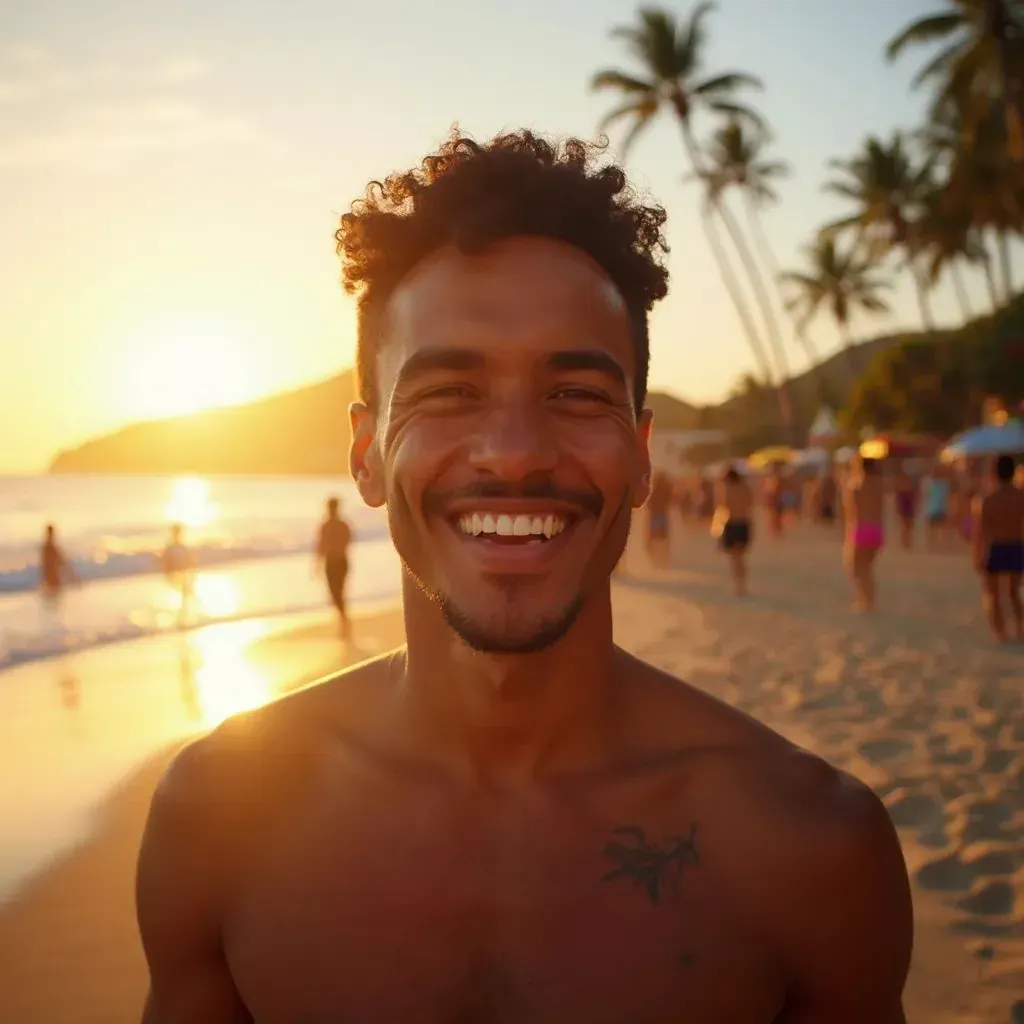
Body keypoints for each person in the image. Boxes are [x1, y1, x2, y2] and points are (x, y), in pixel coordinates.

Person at [136, 130, 911, 1023]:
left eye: (576, 394)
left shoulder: (806, 847)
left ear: (642, 455)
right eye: (448, 392)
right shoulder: (219, 816)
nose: (513, 455)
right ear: (365, 454)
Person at [973, 454, 1024, 643]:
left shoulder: (987, 500)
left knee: (993, 594)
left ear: (994, 473)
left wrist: (977, 555)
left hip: (996, 547)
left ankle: (1000, 633)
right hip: (1017, 546)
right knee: (1013, 593)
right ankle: (1019, 628)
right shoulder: (1021, 497)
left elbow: (980, 533)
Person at [843, 455, 886, 612]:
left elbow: (852, 512)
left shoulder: (856, 485)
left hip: (861, 529)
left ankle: (864, 600)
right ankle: (870, 600)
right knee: (867, 568)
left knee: (856, 568)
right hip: (877, 529)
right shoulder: (879, 484)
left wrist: (848, 536)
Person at [712, 465, 754, 596]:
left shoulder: (727, 489)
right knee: (741, 556)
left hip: (732, 524)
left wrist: (716, 529)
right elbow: (750, 505)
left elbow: (722, 509)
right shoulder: (746, 488)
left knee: (735, 557)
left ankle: (739, 586)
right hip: (744, 523)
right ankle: (743, 585)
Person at [316, 495, 353, 639]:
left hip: (340, 562)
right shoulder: (325, 525)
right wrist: (317, 564)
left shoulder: (342, 524)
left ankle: (343, 621)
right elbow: (320, 545)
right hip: (331, 562)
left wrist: (338, 550)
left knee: (339, 592)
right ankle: (343, 619)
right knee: (334, 594)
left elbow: (348, 540)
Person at [38, 523, 78, 606]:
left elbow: (61, 561)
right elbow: (62, 561)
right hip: (53, 577)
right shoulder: (51, 547)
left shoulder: (47, 547)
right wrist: (73, 576)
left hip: (51, 576)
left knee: (52, 602)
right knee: (55, 602)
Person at [162, 522, 194, 624]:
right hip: (177, 573)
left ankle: (184, 616)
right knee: (184, 595)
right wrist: (167, 573)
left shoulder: (177, 546)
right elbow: (166, 561)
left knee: (185, 595)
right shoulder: (172, 547)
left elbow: (189, 560)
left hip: (183, 573)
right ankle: (182, 615)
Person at [644, 471, 672, 566]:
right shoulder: (666, 491)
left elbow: (648, 505)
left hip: (654, 516)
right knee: (663, 539)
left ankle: (653, 560)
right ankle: (663, 560)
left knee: (652, 539)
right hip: (663, 516)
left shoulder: (653, 491)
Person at [923, 462, 951, 551]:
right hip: (941, 508)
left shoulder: (929, 483)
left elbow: (926, 496)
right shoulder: (945, 484)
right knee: (942, 529)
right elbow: (947, 497)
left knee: (932, 530)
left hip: (931, 508)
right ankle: (942, 546)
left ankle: (932, 545)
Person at [892, 466, 919, 551]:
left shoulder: (909, 488)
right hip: (904, 508)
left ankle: (906, 542)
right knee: (905, 527)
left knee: (908, 526)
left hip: (908, 508)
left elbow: (915, 498)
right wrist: (897, 509)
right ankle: (905, 543)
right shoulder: (901, 488)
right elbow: (897, 500)